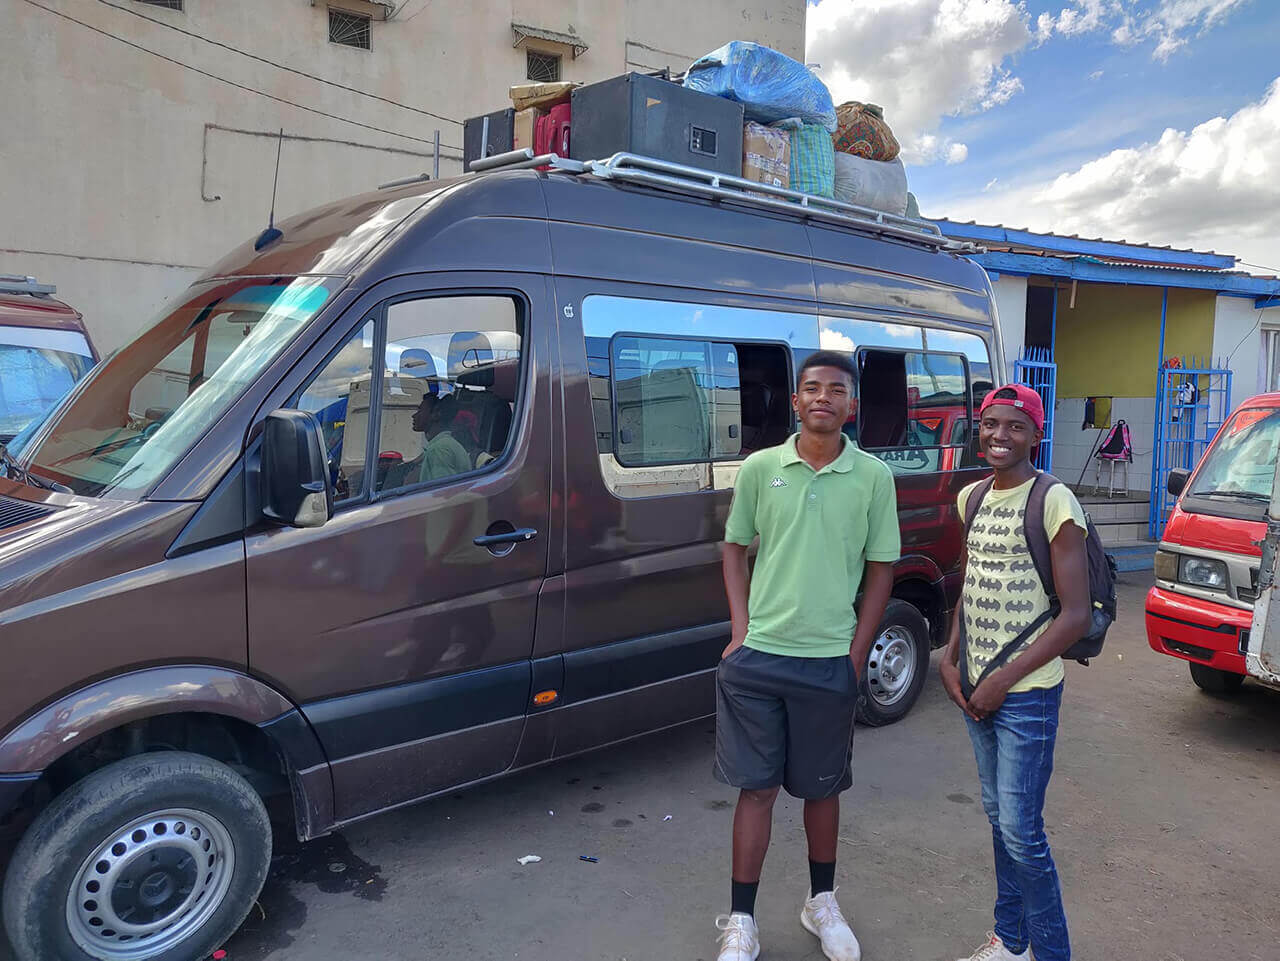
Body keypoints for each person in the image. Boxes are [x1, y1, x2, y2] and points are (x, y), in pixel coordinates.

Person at [714, 350, 900, 961]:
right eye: (812, 388)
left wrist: (857, 650)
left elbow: (881, 568)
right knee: (757, 790)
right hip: (760, 658)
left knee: (823, 791)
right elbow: (735, 547)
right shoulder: (760, 468)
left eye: (836, 390)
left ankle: (821, 903)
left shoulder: (873, 476)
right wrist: (741, 628)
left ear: (851, 406)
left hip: (829, 661)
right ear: (795, 402)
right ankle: (741, 921)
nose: (824, 397)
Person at [939, 384, 1091, 961]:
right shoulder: (971, 498)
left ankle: (1050, 952)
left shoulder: (1054, 502)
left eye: (1015, 426)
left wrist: (1003, 679)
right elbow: (970, 586)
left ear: (1037, 434)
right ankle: (1010, 940)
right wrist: (951, 659)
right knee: (1000, 821)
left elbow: (1074, 616)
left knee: (1024, 836)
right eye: (990, 424)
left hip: (1026, 694)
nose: (1000, 436)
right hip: (975, 686)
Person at [413, 394, 473, 483]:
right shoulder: (445, 445)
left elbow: (442, 493)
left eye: (420, 410)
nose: (414, 415)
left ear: (436, 414)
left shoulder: (439, 450)